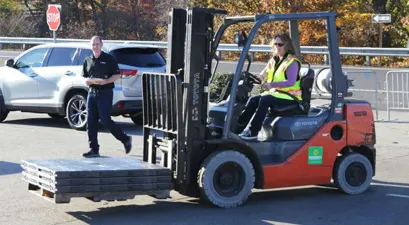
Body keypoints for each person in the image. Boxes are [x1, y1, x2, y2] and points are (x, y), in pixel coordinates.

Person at [236, 32, 302, 141]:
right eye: (275, 44)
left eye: (280, 44)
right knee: (253, 99)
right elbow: (263, 74)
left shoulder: (292, 62)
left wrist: (271, 85)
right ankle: (236, 129)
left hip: (290, 97)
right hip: (276, 94)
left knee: (264, 100)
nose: (277, 47)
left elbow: (290, 82)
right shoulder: (273, 60)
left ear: (287, 45)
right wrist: (258, 78)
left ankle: (253, 131)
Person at [81, 35, 132, 157]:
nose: (95, 47)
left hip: (105, 93)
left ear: (101, 45)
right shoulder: (87, 60)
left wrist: (107, 81)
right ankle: (94, 149)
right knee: (90, 122)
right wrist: (87, 81)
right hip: (92, 93)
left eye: (97, 44)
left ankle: (125, 139)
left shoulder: (109, 59)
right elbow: (85, 77)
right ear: (90, 46)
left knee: (105, 120)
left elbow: (117, 75)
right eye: (93, 44)